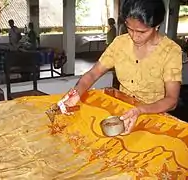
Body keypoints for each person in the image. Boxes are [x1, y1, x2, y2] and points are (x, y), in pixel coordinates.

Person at [56, 0, 182, 134]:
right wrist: (77, 92)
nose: (134, 36)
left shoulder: (171, 51)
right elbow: (93, 73)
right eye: (130, 29)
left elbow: (171, 100)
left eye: (142, 31)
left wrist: (140, 110)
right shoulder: (119, 44)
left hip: (154, 117)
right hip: (122, 112)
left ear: (156, 26)